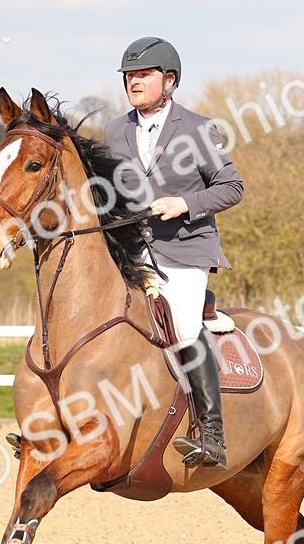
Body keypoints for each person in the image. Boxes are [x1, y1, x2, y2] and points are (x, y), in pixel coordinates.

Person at [101, 37, 244, 470]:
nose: (134, 83)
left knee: (181, 326)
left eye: (143, 76)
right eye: (129, 76)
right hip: (135, 252)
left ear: (170, 81)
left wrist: (184, 204)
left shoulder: (198, 128)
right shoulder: (113, 131)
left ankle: (212, 433)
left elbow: (232, 187)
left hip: (185, 250)